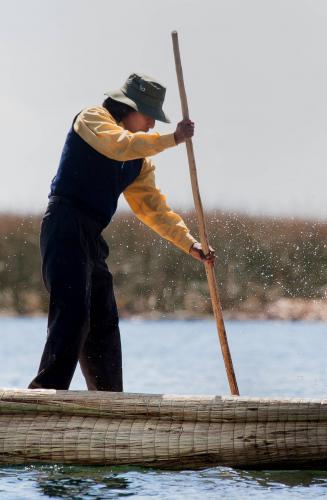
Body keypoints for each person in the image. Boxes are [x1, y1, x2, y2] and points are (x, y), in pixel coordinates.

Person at [28, 73, 215, 392]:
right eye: (149, 118)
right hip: (64, 224)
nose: (152, 126)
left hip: (92, 237)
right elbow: (118, 145)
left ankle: (110, 403)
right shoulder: (93, 120)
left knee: (103, 323)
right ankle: (43, 396)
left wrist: (190, 243)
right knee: (74, 315)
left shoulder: (139, 162)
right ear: (128, 108)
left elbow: (154, 209)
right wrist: (173, 139)